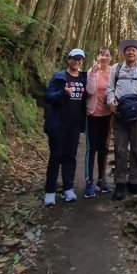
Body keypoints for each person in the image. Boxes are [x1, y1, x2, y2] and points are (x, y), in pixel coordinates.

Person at [106, 39, 137, 200]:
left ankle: (135, 181)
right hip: (120, 114)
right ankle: (120, 183)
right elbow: (110, 88)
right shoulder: (116, 68)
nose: (131, 52)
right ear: (124, 52)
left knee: (136, 149)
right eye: (128, 50)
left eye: (134, 50)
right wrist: (110, 100)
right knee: (120, 149)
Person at [43, 48, 87, 206]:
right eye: (74, 58)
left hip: (74, 125)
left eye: (80, 59)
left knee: (70, 156)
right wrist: (63, 93)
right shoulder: (59, 77)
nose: (77, 62)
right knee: (56, 156)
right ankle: (50, 190)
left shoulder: (83, 79)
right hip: (58, 124)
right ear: (68, 59)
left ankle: (68, 187)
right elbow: (48, 96)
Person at [84, 46, 113, 198]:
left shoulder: (113, 72)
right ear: (97, 57)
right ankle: (89, 181)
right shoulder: (91, 71)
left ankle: (102, 179)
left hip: (107, 114)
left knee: (104, 148)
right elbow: (90, 91)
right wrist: (94, 74)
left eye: (107, 55)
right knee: (91, 148)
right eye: (102, 55)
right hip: (93, 114)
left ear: (111, 58)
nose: (104, 57)